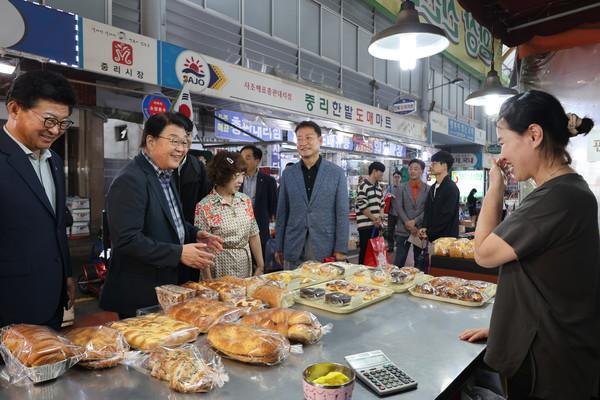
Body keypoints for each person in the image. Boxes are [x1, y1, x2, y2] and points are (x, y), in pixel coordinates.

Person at [459, 91, 600, 399]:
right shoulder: (567, 192)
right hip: (551, 349)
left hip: (550, 364)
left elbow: (483, 253)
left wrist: (495, 186)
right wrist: (505, 329)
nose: (502, 153)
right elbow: (551, 282)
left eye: (504, 141)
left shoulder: (557, 197)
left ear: (534, 135)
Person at [101, 112, 223, 318]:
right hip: (141, 290)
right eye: (174, 141)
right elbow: (127, 239)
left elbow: (170, 219)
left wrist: (194, 233)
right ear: (150, 141)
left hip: (166, 285)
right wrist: (178, 253)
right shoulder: (131, 179)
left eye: (185, 142)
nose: (182, 149)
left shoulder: (166, 174)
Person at [0, 70, 76, 330]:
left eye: (63, 123)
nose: (55, 131)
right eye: (49, 120)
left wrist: (66, 273)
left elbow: (54, 226)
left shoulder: (54, 161)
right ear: (14, 109)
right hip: (9, 305)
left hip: (51, 300)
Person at [275, 121, 349, 268]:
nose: (303, 143)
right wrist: (279, 246)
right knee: (292, 287)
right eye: (299, 139)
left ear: (320, 140)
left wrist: (341, 248)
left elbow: (342, 213)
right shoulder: (289, 174)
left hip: (324, 245)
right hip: (293, 244)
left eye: (308, 138)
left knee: (321, 288)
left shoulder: (336, 173)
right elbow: (282, 213)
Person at [195, 151, 264, 278]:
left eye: (242, 175)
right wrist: (208, 280)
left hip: (245, 263)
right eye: (236, 175)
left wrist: (260, 265)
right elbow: (202, 248)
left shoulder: (245, 200)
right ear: (222, 175)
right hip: (219, 266)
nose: (241, 180)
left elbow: (253, 234)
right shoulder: (204, 206)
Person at [174, 132, 212, 283]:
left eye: (188, 136)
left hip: (190, 231)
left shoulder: (197, 167)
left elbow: (203, 199)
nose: (185, 141)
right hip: (164, 246)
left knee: (188, 282)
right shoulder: (162, 170)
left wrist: (195, 230)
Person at [240, 144, 277, 268]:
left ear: (257, 160)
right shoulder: (235, 179)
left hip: (261, 229)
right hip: (239, 229)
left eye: (248, 158)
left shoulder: (268, 181)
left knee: (260, 264)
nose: (243, 161)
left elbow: (273, 206)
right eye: (242, 158)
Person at [392, 159, 429, 270]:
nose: (412, 171)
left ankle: (418, 285)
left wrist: (415, 222)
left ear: (422, 171)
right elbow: (398, 207)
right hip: (403, 229)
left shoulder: (428, 189)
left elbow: (427, 210)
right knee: (399, 260)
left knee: (420, 261)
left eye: (416, 169)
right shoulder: (401, 187)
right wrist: (408, 223)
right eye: (411, 168)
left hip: (420, 231)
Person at [418, 151, 460, 242]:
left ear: (444, 166)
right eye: (431, 163)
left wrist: (429, 232)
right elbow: (427, 210)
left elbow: (446, 215)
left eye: (434, 163)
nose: (431, 166)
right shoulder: (433, 187)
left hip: (447, 238)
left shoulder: (451, 188)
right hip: (433, 237)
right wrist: (424, 227)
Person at [356, 161, 386, 264]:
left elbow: (382, 204)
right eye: (381, 172)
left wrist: (380, 218)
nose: (382, 175)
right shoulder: (363, 185)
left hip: (376, 225)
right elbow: (362, 206)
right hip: (365, 226)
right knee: (364, 251)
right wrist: (374, 219)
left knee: (374, 252)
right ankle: (360, 275)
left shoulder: (378, 187)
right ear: (374, 171)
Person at [385, 170, 401, 252]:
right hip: (391, 213)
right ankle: (390, 247)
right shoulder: (390, 187)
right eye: (395, 177)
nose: (396, 179)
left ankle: (399, 247)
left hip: (400, 214)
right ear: (393, 178)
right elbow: (385, 197)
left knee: (399, 232)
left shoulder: (403, 187)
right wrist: (389, 195)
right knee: (390, 231)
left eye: (398, 177)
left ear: (400, 178)